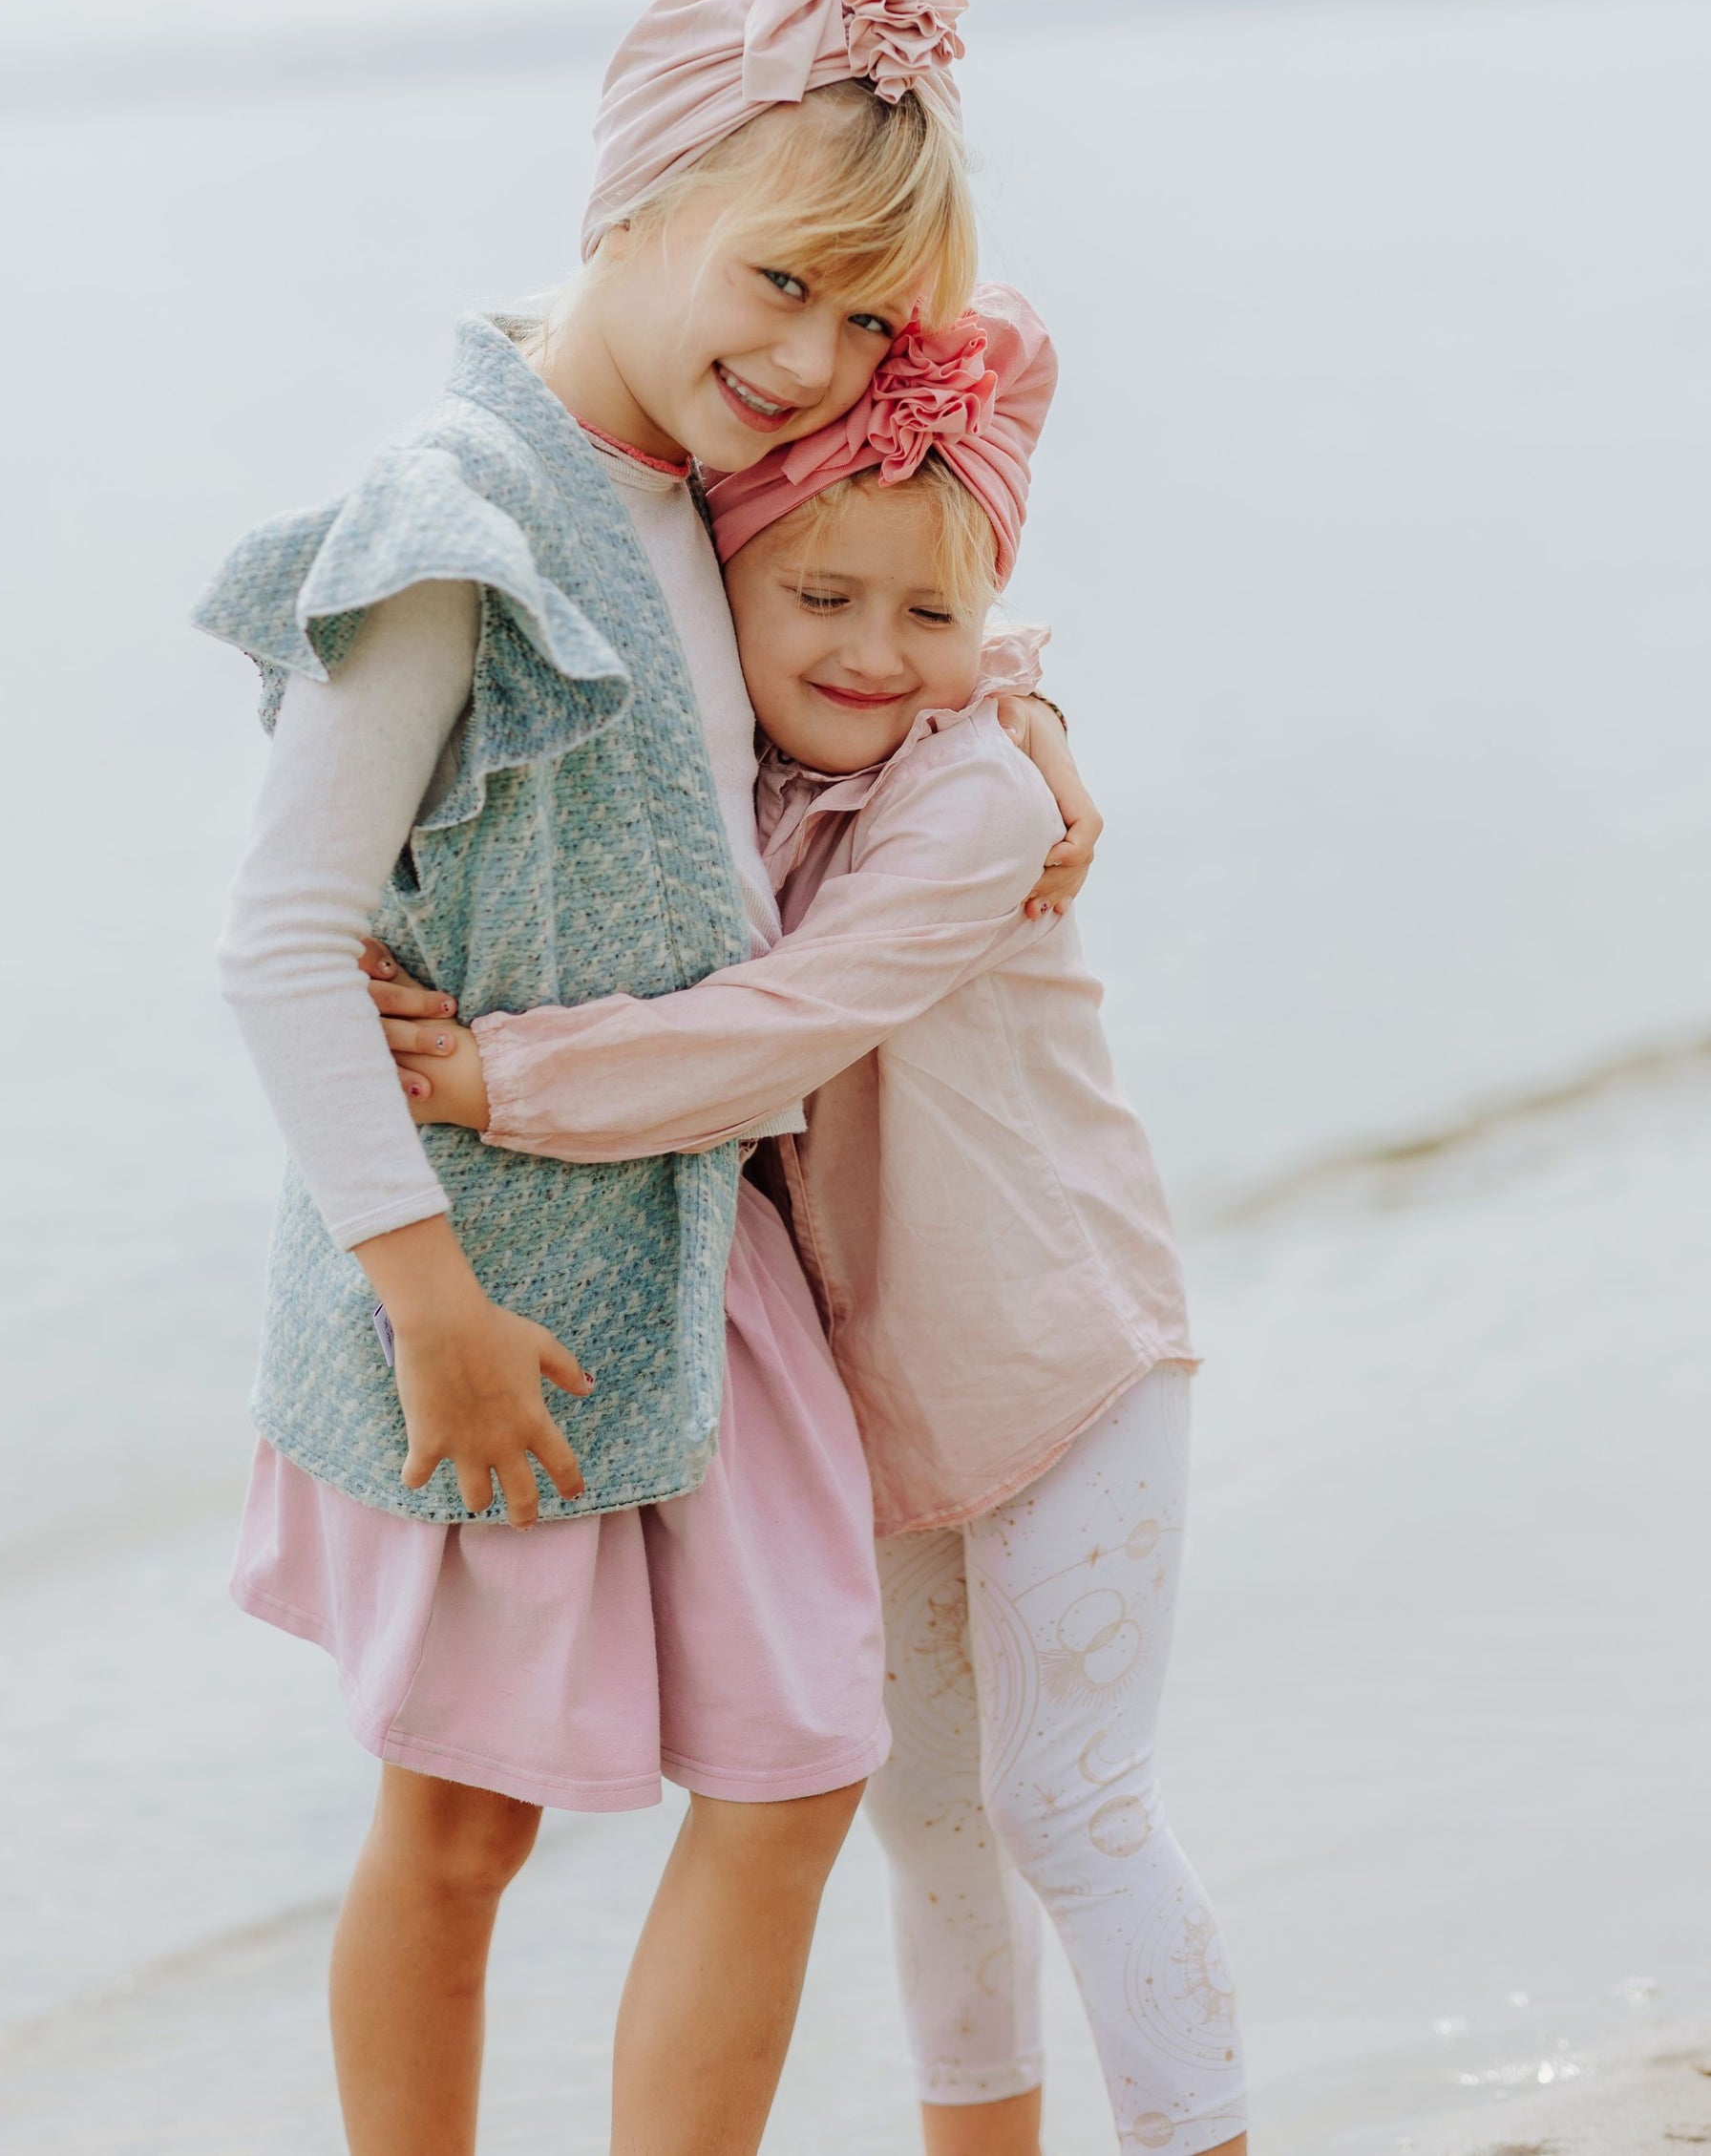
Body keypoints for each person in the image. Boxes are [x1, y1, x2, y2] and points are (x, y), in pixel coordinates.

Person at [194, 0, 1095, 2156]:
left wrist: (1035, 724)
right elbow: (281, 945)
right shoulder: (454, 520)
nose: (809, 358)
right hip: (486, 1285)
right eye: (776, 278)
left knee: (802, 1759)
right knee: (466, 1829)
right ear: (635, 203)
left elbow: (901, 619)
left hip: (709, 1254)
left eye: (867, 316)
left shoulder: (712, 483)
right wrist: (428, 1307)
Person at [374, 291, 1251, 2156]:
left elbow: (778, 1028)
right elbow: (595, 343)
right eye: (823, 602)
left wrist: (489, 1081)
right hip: (875, 1408)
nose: (873, 650)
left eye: (932, 616)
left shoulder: (979, 804)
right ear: (735, 590)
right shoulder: (733, 780)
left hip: (1070, 1363)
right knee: (926, 1823)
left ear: (984, 619)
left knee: (1073, 1812)